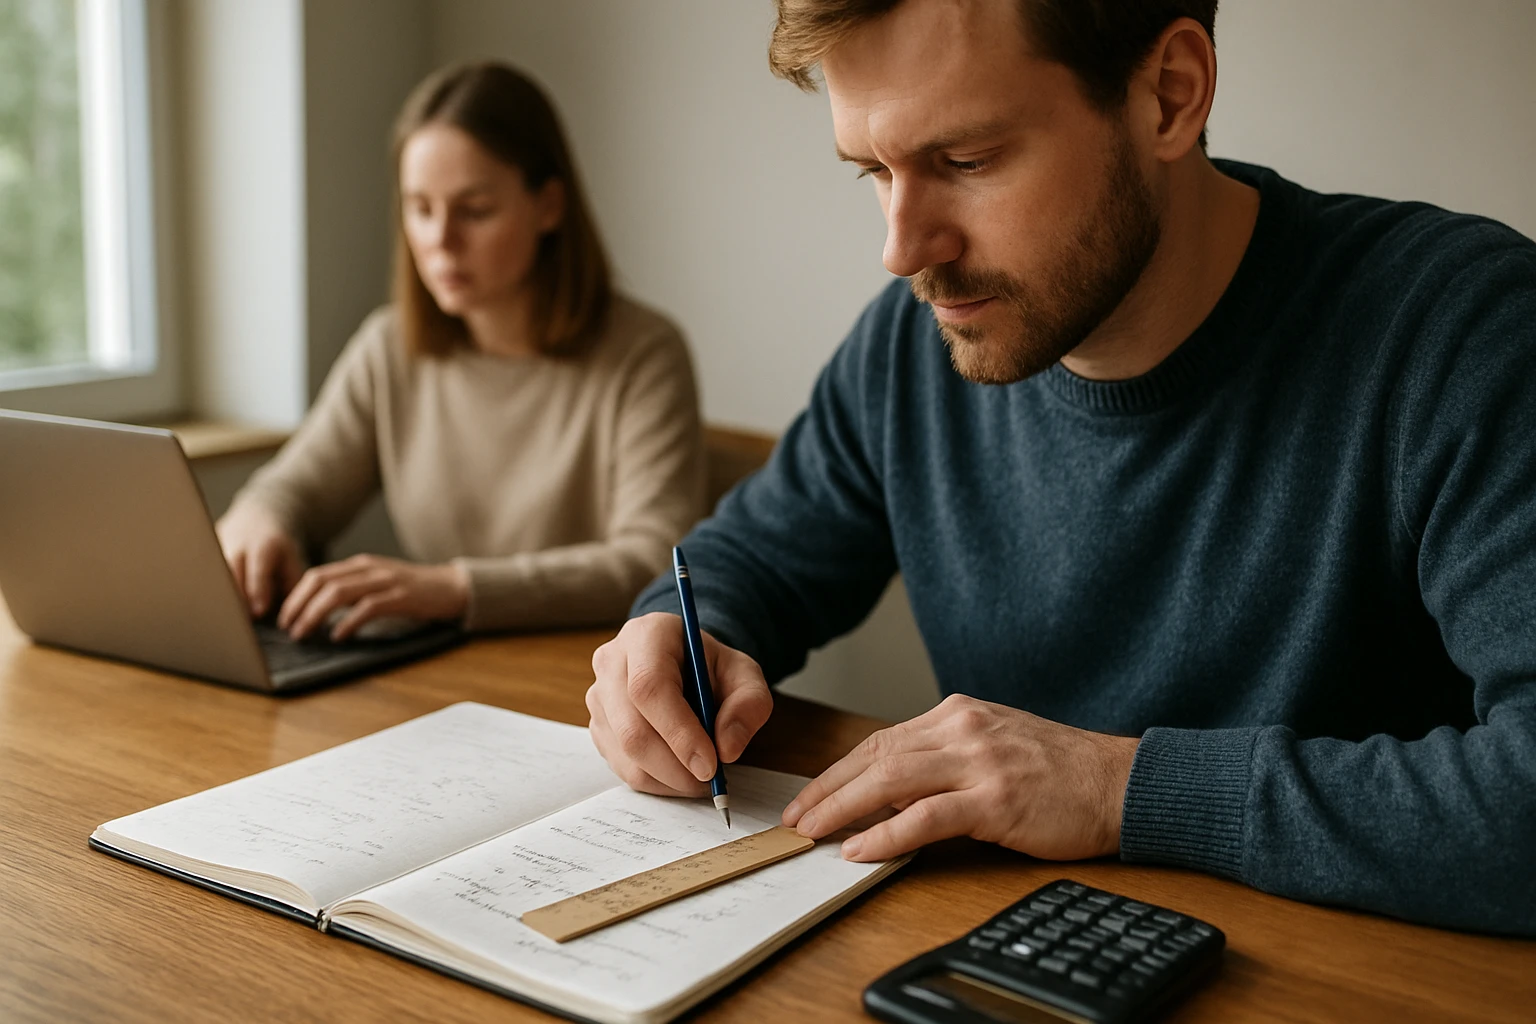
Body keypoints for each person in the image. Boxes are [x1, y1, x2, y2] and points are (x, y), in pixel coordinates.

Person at [585, 0, 1536, 936]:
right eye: (875, 169)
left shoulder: (1468, 335)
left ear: (1169, 95)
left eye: (966, 161)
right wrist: (671, 633)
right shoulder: (917, 347)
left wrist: (1118, 788)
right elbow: (758, 557)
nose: (902, 249)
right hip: (1012, 963)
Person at [218, 63, 704, 641]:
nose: (440, 241)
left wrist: (453, 589)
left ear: (548, 206)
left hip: (592, 681)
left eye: (474, 211)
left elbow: (650, 559)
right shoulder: (389, 347)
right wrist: (258, 517)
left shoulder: (644, 354)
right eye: (420, 208)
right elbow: (295, 488)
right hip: (440, 672)